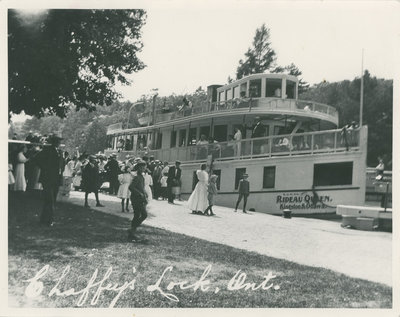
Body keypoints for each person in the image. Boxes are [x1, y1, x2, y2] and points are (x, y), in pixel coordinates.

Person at [34, 135, 63, 226]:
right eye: (57, 141)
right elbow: (37, 158)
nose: (59, 143)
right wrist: (45, 168)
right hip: (48, 178)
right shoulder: (47, 150)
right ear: (54, 142)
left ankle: (44, 219)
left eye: (59, 141)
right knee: (49, 200)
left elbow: (60, 163)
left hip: (55, 178)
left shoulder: (59, 151)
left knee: (51, 200)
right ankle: (49, 220)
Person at [127, 160, 148, 242]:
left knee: (139, 215)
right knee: (142, 214)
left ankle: (132, 231)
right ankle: (132, 231)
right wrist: (139, 193)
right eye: (141, 167)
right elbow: (131, 187)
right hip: (136, 198)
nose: (143, 168)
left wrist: (145, 193)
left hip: (140, 198)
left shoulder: (142, 177)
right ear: (138, 168)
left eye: (144, 167)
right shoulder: (136, 177)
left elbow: (141, 187)